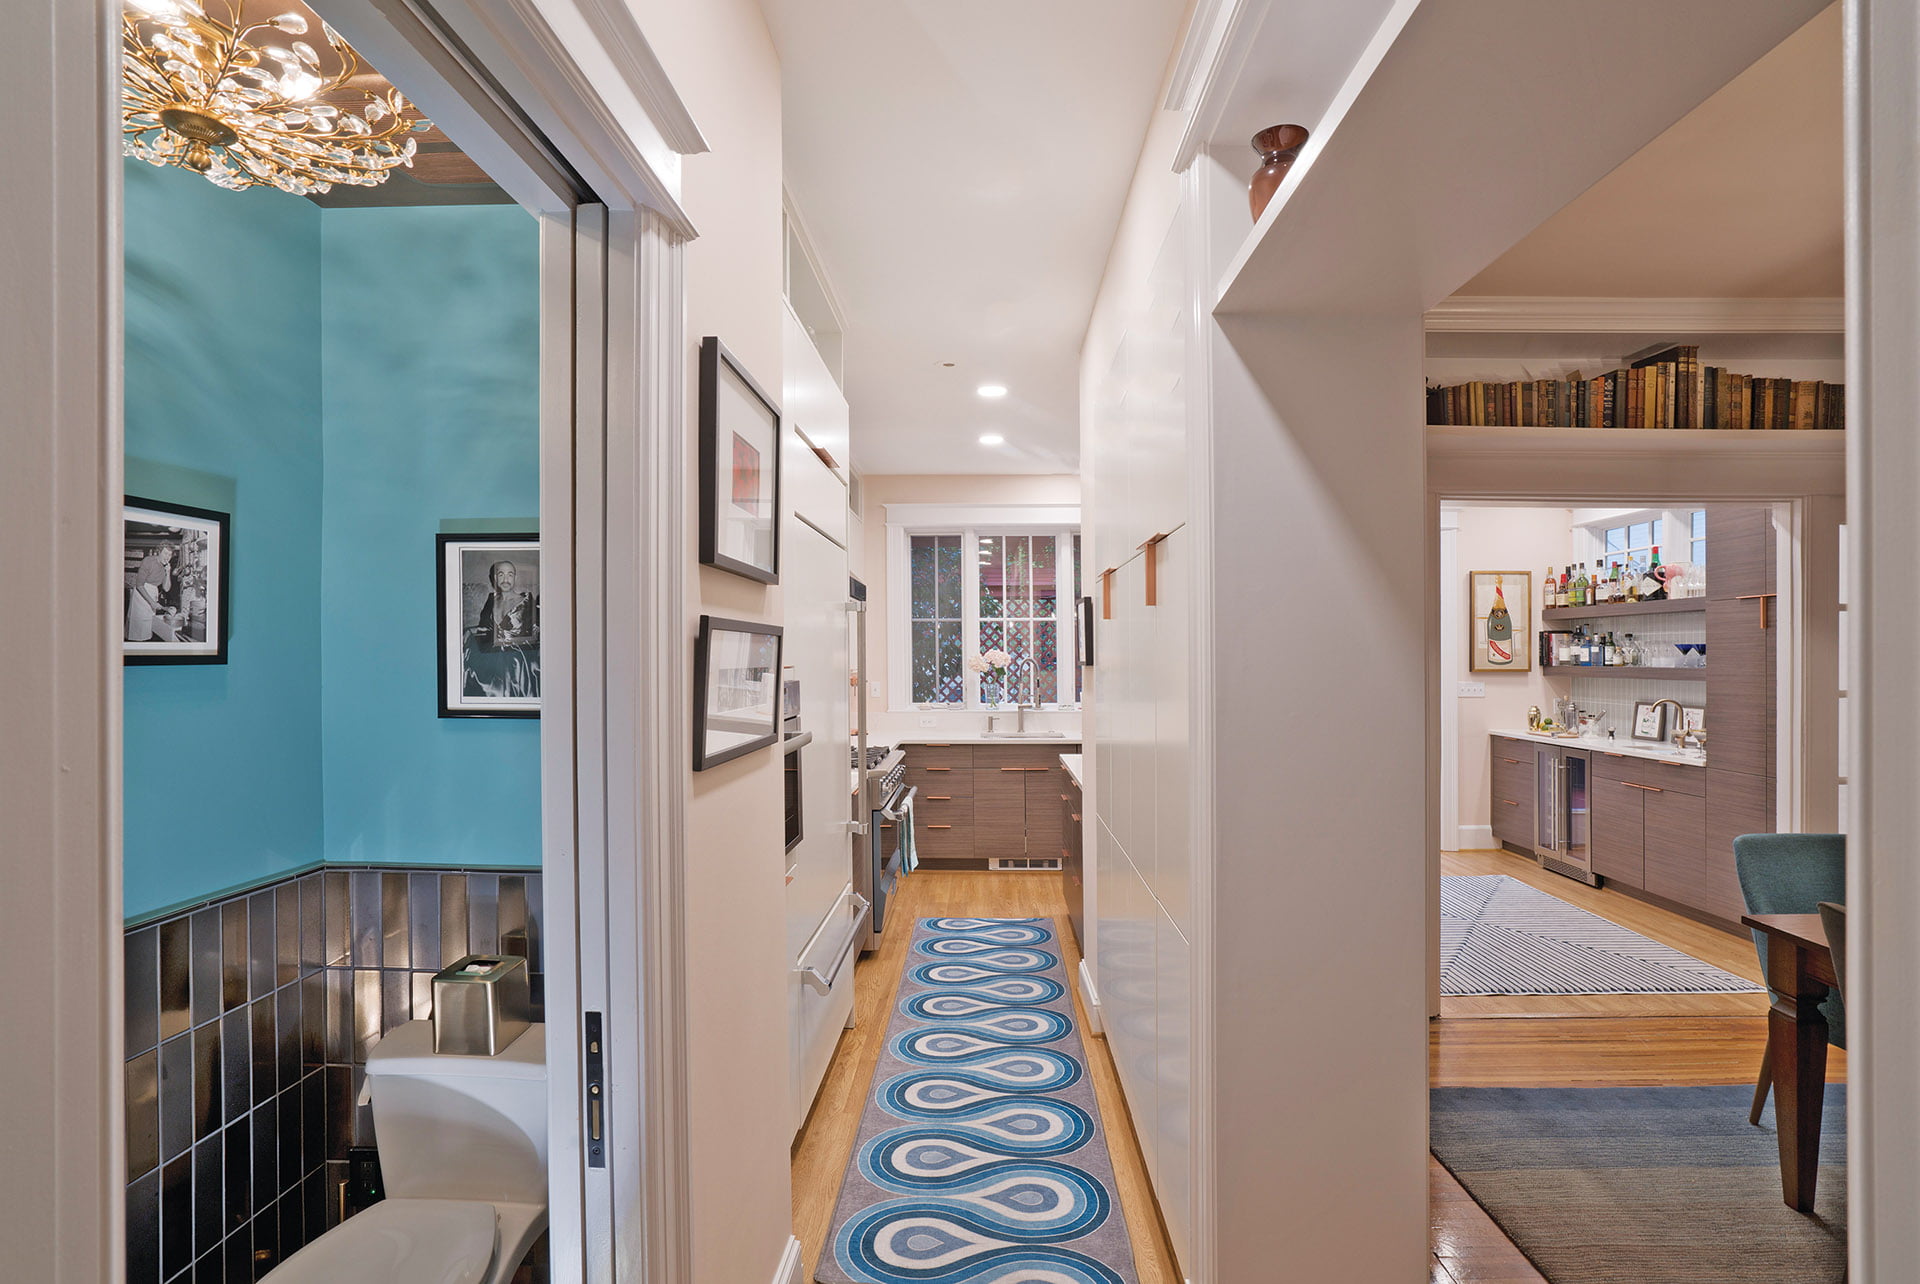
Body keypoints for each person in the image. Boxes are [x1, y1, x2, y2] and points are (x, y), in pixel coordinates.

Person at [463, 558, 540, 700]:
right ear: (494, 578)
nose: (506, 579)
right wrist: (470, 630)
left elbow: (538, 634)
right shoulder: (491, 600)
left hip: (519, 663)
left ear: (515, 578)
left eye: (510, 574)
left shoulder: (527, 601)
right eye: (501, 574)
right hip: (493, 660)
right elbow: (485, 629)